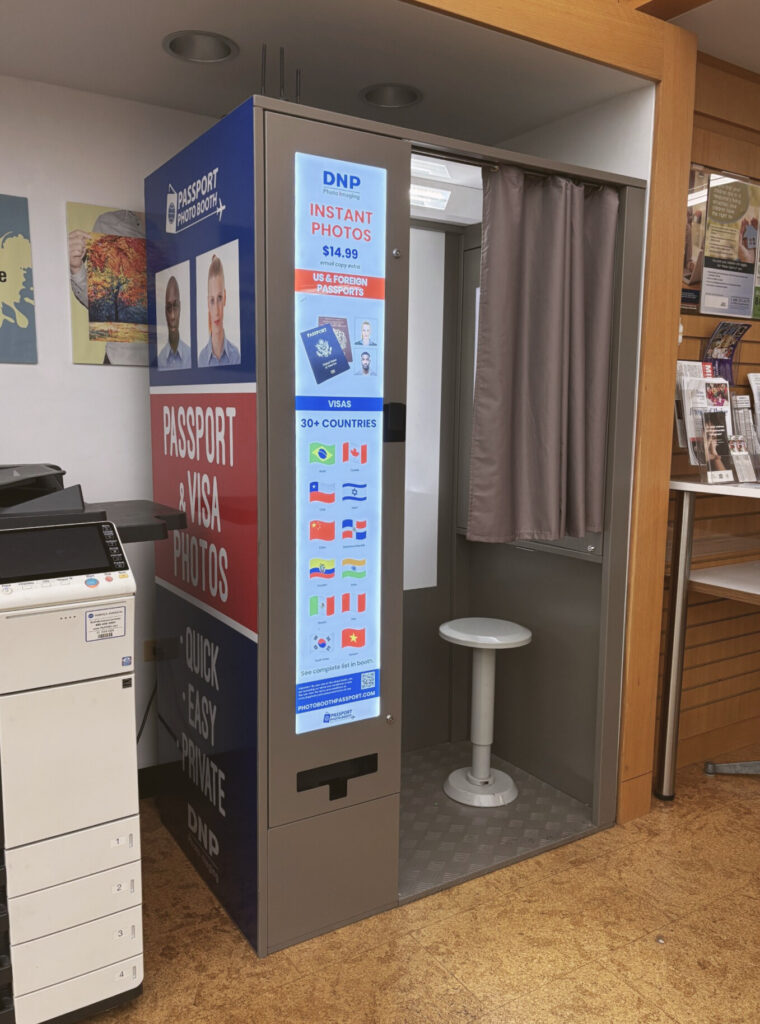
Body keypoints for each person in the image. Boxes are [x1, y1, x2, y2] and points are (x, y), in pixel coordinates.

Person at [68, 208, 146, 366]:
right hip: (122, 360)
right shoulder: (110, 223)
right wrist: (76, 269)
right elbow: (101, 299)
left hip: (170, 361)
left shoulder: (177, 222)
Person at [198, 254, 240, 367]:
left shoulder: (236, 356)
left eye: (219, 298)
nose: (216, 311)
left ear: (225, 297)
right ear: (207, 303)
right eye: (212, 300)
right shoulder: (201, 359)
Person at [157, 275, 191, 370]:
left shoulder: (191, 357)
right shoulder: (160, 360)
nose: (172, 316)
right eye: (168, 308)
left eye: (175, 307)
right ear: (164, 311)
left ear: (180, 307)